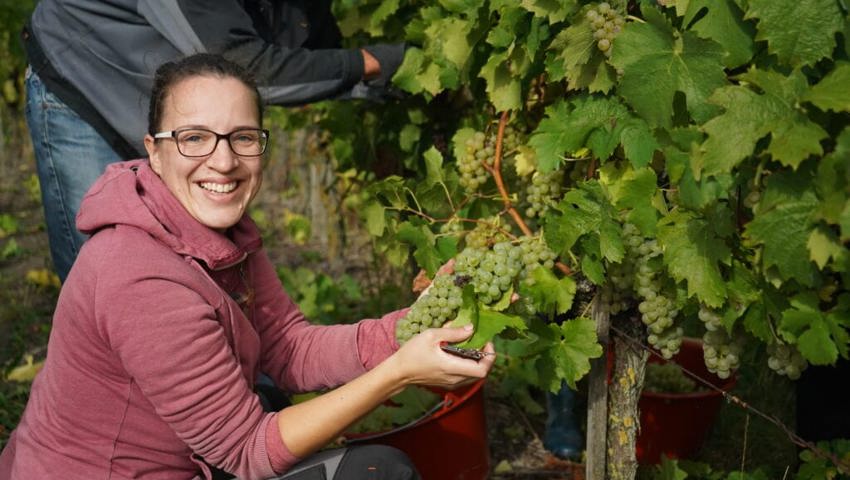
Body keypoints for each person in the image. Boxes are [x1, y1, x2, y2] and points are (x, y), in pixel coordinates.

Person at [0, 53, 493, 479]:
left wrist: (410, 328)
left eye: (242, 137)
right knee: (381, 472)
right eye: (195, 138)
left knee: (281, 409)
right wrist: (398, 374)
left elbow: (289, 349)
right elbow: (247, 451)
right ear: (154, 151)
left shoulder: (218, 232)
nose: (224, 161)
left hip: (191, 462)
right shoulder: (137, 273)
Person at [22, 0, 406, 282]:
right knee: (103, 268)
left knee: (196, 258)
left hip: (172, 95)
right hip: (84, 77)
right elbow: (254, 69)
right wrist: (380, 62)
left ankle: (204, 368)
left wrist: (373, 84)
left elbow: (310, 49)